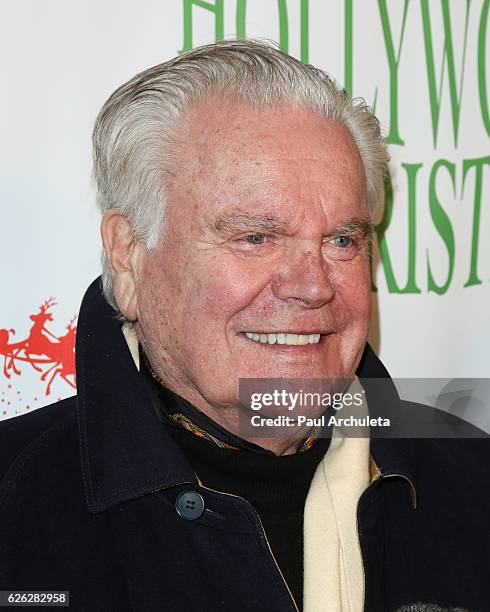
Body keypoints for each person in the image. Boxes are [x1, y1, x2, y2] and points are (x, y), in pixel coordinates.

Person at [0, 40, 488, 612]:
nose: (313, 286)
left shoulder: (474, 483)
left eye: (342, 240)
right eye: (255, 237)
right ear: (129, 256)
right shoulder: (17, 506)